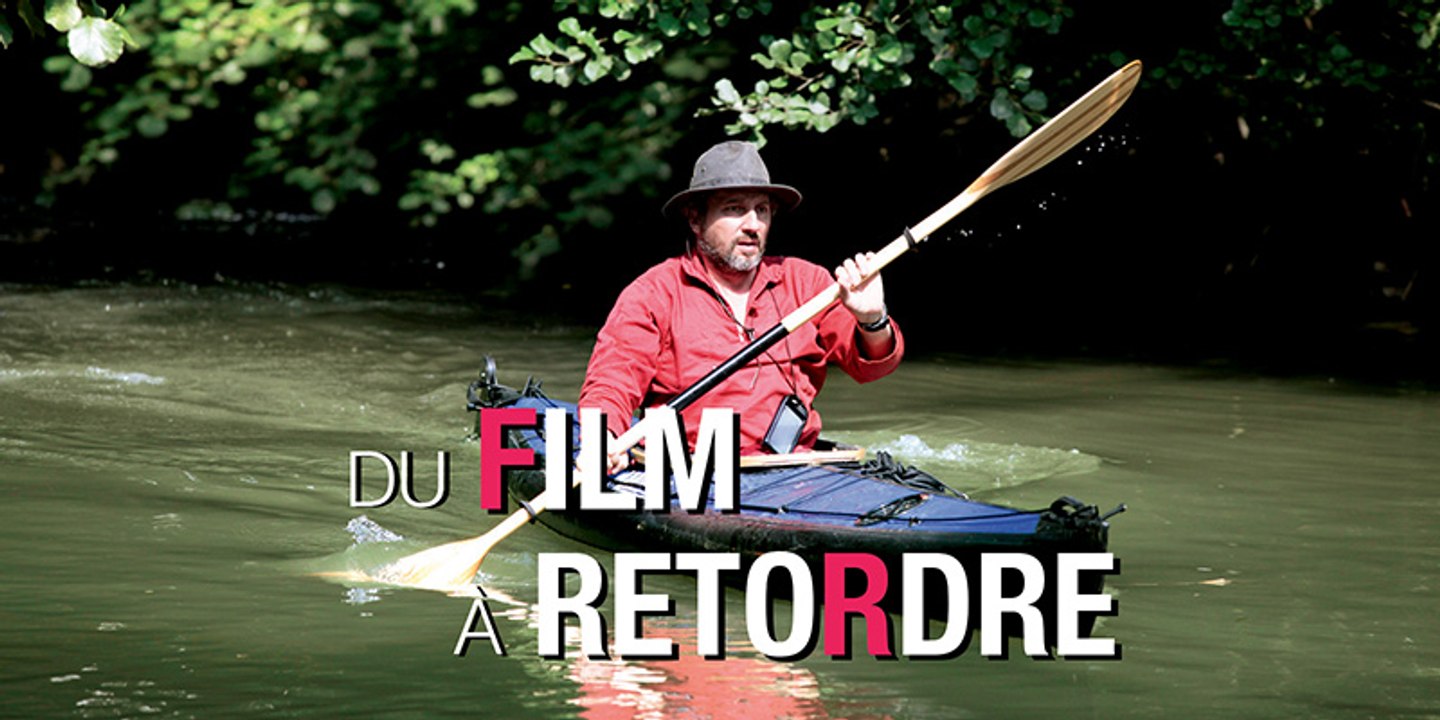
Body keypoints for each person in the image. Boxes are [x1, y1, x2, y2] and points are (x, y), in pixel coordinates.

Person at [578, 140, 903, 466]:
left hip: (792, 470)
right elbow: (612, 382)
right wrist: (602, 439)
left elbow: (873, 366)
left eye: (761, 210)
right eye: (734, 209)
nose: (752, 224)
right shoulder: (653, 293)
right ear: (695, 219)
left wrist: (872, 319)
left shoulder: (808, 283)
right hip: (688, 469)